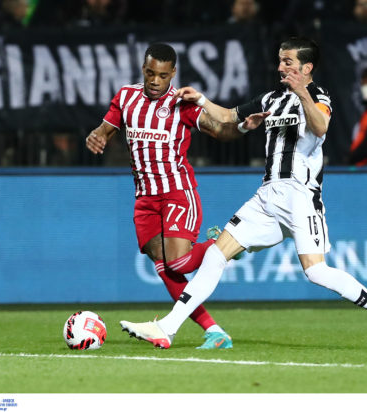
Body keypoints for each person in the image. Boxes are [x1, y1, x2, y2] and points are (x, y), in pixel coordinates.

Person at [119, 37, 367, 350]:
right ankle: (167, 328)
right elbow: (228, 116)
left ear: (306, 68)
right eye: (280, 60)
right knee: (215, 255)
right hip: (268, 195)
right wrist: (201, 100)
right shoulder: (270, 98)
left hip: (300, 196)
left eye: (288, 61)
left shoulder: (318, 95)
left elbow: (321, 127)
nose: (280, 66)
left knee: (316, 272)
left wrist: (302, 93)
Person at [85, 43, 268, 349]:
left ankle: (224, 243)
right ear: (143, 69)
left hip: (176, 192)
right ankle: (213, 331)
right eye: (150, 73)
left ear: (172, 74)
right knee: (164, 265)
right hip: (145, 198)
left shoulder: (181, 104)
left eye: (162, 75)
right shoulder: (126, 97)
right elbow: (107, 127)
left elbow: (219, 130)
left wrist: (243, 128)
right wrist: (97, 135)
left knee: (179, 263)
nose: (155, 80)